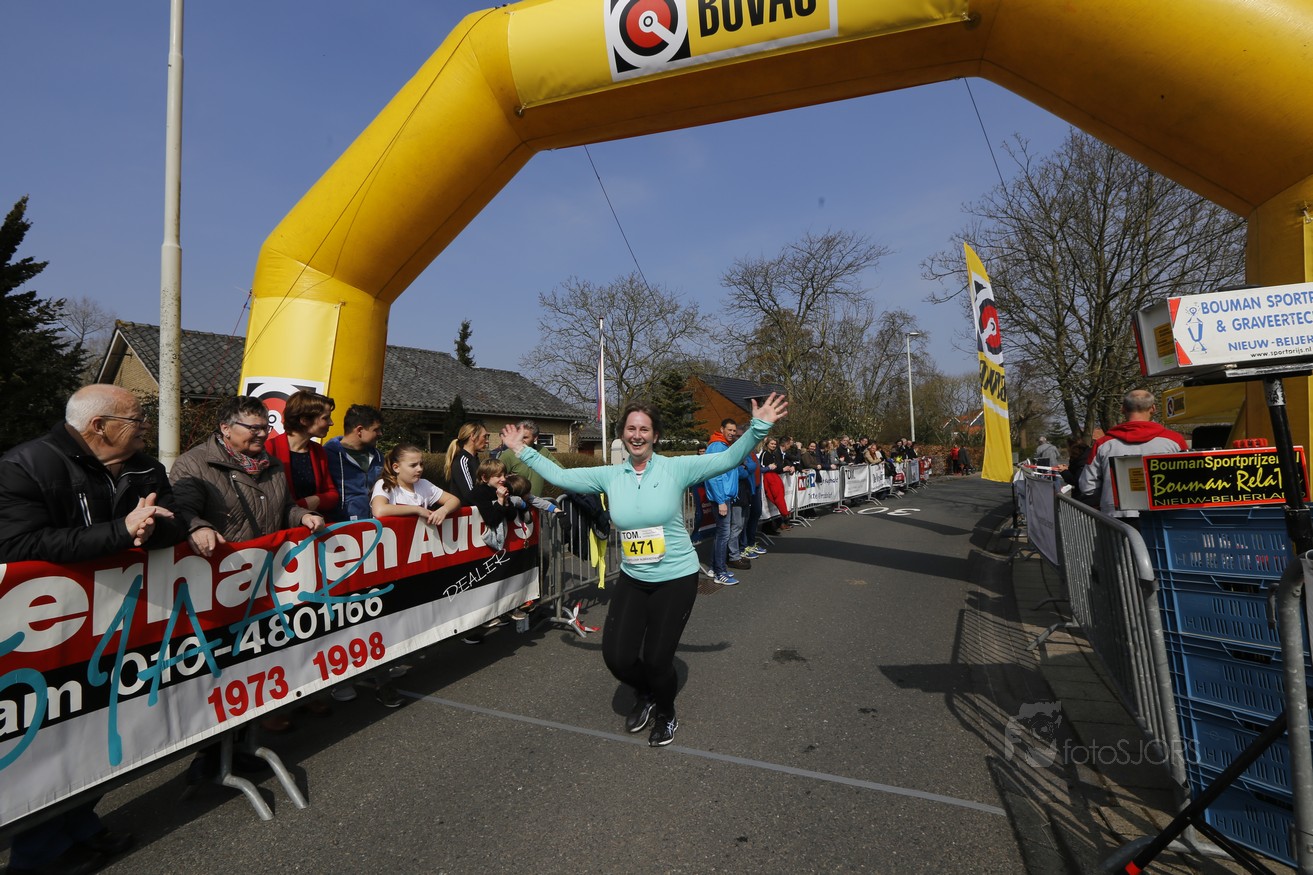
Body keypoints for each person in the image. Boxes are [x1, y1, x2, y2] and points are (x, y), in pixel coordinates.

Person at [499, 393, 787, 747]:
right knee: (617, 658)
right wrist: (521, 450)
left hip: (676, 578)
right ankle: (647, 693)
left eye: (644, 429)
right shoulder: (610, 475)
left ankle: (666, 712)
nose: (637, 435)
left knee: (656, 659)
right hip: (634, 578)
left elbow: (728, 457)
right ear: (623, 434)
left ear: (655, 435)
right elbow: (561, 475)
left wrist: (758, 428)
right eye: (631, 429)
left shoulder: (675, 468)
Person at [0, 385, 179, 875]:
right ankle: (38, 856)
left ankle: (79, 825)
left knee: (103, 731)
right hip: (49, 633)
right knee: (51, 740)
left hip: (123, 621)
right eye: (137, 418)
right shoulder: (25, 465)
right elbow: (17, 546)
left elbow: (173, 520)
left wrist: (151, 530)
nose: (146, 426)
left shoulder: (145, 466)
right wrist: (122, 532)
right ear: (100, 426)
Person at [171, 396, 326, 733]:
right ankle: (234, 726)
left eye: (265, 427)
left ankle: (277, 700)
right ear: (225, 429)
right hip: (222, 580)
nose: (262, 434)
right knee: (231, 651)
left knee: (270, 639)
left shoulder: (272, 464)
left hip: (268, 573)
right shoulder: (193, 464)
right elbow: (182, 510)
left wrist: (303, 515)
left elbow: (286, 507)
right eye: (253, 428)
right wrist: (197, 526)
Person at [1079, 389, 1186, 520]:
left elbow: (1087, 486)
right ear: (1153, 408)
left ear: (1122, 409)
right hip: (1164, 516)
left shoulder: (1103, 444)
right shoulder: (1175, 441)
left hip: (1116, 517)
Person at [266, 390, 340, 516]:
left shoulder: (318, 451)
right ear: (304, 420)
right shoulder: (269, 449)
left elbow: (332, 495)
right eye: (325, 418)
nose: (331, 423)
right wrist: (303, 506)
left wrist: (315, 500)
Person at [323, 404, 385, 523]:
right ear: (359, 430)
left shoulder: (378, 457)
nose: (380, 434)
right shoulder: (327, 455)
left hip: (374, 526)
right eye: (376, 429)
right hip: (338, 528)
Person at [703, 418, 746, 583]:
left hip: (725, 496)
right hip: (721, 498)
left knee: (722, 534)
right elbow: (714, 475)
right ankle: (720, 572)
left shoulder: (724, 445)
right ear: (722, 429)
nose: (732, 433)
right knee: (723, 534)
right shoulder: (717, 446)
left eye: (734, 431)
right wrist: (721, 500)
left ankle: (715, 567)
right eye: (729, 430)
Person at [498, 419, 556, 496]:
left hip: (537, 501)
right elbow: (495, 478)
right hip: (516, 501)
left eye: (525, 437)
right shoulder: (508, 454)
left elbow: (559, 470)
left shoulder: (543, 451)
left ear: (535, 438)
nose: (521, 440)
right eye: (519, 436)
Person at [443, 421, 487, 505]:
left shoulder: (475, 459)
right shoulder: (462, 462)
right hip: (466, 512)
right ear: (473, 436)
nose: (487, 441)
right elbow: (470, 494)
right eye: (484, 437)